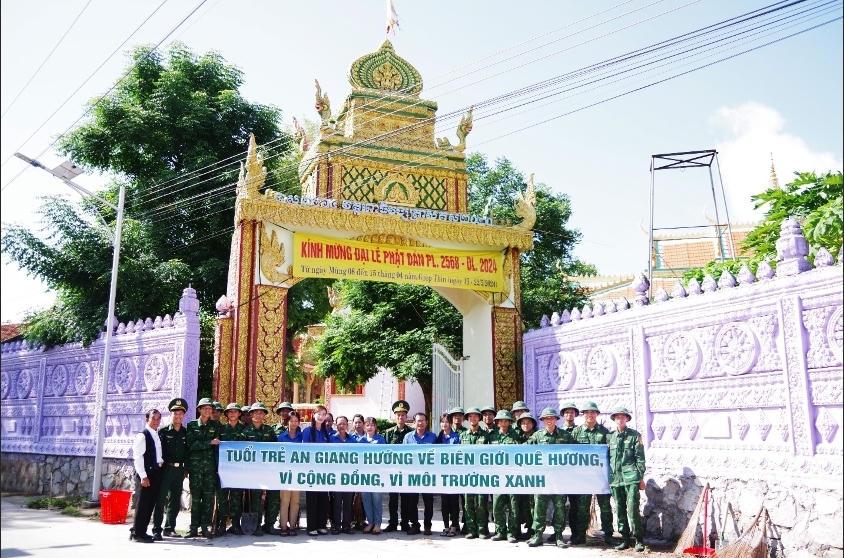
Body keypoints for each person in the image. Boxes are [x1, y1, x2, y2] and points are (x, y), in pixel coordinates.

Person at [525, 407, 574, 548]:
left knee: (559, 508)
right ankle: (538, 535)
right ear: (543, 421)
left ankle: (559, 536)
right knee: (539, 507)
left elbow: (575, 453)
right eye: (546, 418)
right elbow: (523, 451)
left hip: (559, 478)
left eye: (552, 418)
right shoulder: (537, 436)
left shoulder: (565, 436)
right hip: (542, 478)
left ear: (556, 420)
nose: (549, 420)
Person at [572, 401, 614, 547]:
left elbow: (610, 452)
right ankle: (580, 536)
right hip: (584, 477)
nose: (590, 415)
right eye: (587, 413)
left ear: (597, 414)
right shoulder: (577, 432)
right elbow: (570, 453)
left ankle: (609, 535)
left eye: (593, 412)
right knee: (582, 507)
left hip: (600, 476)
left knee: (605, 507)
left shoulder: (604, 432)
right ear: (584, 415)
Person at [607, 407, 646, 552]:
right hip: (616, 479)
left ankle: (639, 540)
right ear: (614, 419)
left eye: (623, 417)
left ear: (627, 419)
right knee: (620, 510)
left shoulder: (635, 436)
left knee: (632, 509)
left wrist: (640, 478)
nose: (620, 419)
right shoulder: (610, 437)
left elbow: (640, 459)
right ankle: (624, 539)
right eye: (617, 417)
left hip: (631, 479)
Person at [240, 401, 280, 535]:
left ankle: (269, 524)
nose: (258, 414)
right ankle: (256, 525)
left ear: (264, 415)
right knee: (256, 498)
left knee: (273, 497)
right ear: (251, 415)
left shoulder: (269, 431)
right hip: (253, 472)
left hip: (269, 470)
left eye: (261, 412)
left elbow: (276, 450)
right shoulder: (245, 432)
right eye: (256, 412)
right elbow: (240, 453)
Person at [152, 398, 187, 540]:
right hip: (166, 470)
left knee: (174, 501)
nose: (178, 416)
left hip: (179, 471)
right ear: (171, 415)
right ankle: (156, 530)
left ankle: (169, 528)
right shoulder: (163, 431)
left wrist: (186, 469)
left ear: (183, 416)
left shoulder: (185, 432)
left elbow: (188, 451)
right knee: (160, 500)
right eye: (175, 414)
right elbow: (158, 452)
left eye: (180, 414)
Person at [186, 398, 220, 538]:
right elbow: (191, 445)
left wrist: (210, 443)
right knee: (195, 499)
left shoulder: (216, 425)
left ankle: (205, 527)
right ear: (199, 410)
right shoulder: (192, 425)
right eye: (204, 408)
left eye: (209, 408)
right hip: (196, 469)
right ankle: (193, 527)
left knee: (208, 499)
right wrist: (209, 442)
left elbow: (218, 444)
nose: (207, 411)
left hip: (210, 469)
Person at [130, 408, 163, 543]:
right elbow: (137, 457)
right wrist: (143, 476)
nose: (155, 421)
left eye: (158, 419)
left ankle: (140, 531)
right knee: (142, 504)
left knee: (149, 504)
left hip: (155, 472)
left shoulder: (156, 434)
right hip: (146, 474)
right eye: (152, 419)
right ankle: (138, 534)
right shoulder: (142, 435)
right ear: (146, 420)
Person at [489, 410, 520, 543]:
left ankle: (512, 532)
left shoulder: (516, 435)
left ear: (509, 422)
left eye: (506, 420)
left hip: (512, 476)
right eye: (501, 420)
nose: (503, 423)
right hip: (498, 476)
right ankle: (500, 530)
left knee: (513, 506)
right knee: (497, 506)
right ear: (497, 422)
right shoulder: (492, 436)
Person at [403, 411, 436, 535]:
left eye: (423, 420)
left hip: (428, 476)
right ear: (414, 423)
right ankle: (415, 525)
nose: (420, 423)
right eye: (418, 421)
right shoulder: (408, 437)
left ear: (426, 422)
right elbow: (403, 456)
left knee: (428, 502)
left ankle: (428, 525)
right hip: (413, 476)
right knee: (412, 502)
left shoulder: (433, 437)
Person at [459, 407, 490, 539]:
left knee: (482, 503)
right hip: (467, 475)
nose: (473, 419)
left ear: (479, 419)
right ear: (467, 419)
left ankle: (483, 530)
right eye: (470, 417)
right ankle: (471, 529)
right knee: (468, 503)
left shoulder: (486, 435)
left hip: (482, 475)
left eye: (475, 416)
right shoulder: (463, 436)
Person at [383, 400, 413, 533]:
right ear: (395, 417)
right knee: (393, 500)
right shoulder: (388, 433)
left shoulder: (412, 433)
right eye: (398, 415)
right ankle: (393, 523)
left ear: (406, 417)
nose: (400, 417)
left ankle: (405, 522)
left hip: (406, 471)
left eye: (403, 415)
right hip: (393, 472)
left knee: (406, 499)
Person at [302, 404, 332, 536]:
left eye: (323, 414)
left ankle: (321, 525)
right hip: (311, 471)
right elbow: (304, 451)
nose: (321, 417)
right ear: (313, 415)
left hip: (324, 471)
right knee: (312, 499)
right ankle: (311, 527)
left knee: (323, 498)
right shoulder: (308, 431)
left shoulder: (326, 432)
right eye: (318, 414)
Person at [218, 402, 244, 536]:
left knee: (236, 498)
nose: (233, 413)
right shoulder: (221, 429)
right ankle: (222, 524)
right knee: (222, 498)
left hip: (238, 470)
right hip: (223, 470)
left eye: (235, 411)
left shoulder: (244, 430)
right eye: (230, 411)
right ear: (227, 414)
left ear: (239, 414)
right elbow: (216, 449)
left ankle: (235, 524)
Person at [278, 410, 303, 537]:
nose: (293, 423)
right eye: (291, 421)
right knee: (284, 501)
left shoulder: (302, 437)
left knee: (295, 501)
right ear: (287, 422)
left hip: (298, 474)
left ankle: (292, 526)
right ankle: (283, 526)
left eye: (296, 421)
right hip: (285, 474)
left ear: (299, 422)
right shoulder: (281, 437)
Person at [558, 401, 580, 543]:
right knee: (559, 505)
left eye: (572, 412)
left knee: (575, 506)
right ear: (563, 415)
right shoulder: (557, 431)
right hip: (559, 474)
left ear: (575, 414)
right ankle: (557, 532)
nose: (569, 414)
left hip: (575, 475)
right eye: (566, 412)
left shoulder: (580, 431)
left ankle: (576, 534)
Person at [359, 416, 385, 534]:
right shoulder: (360, 441)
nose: (370, 427)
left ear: (376, 427)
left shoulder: (381, 440)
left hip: (377, 475)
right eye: (367, 425)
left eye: (372, 425)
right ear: (364, 427)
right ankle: (370, 522)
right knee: (366, 499)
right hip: (364, 475)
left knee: (376, 499)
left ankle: (378, 523)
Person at [435, 412, 460, 537]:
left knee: (454, 502)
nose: (444, 424)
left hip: (454, 475)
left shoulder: (456, 437)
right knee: (444, 502)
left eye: (446, 421)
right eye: (442, 421)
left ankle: (454, 526)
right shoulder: (438, 437)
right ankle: (445, 526)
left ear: (450, 423)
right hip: (442, 475)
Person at [330, 415, 356, 534]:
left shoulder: (353, 440)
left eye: (344, 424)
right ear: (336, 425)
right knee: (336, 502)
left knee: (348, 501)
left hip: (349, 476)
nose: (342, 426)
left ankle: (346, 525)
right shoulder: (331, 439)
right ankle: (336, 525)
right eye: (339, 424)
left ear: (347, 425)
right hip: (335, 475)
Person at [516, 412, 537, 540]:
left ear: (533, 424)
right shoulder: (517, 436)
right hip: (519, 476)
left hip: (533, 476)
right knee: (521, 504)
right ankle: (521, 530)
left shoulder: (537, 436)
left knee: (532, 504)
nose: (525, 425)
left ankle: (532, 530)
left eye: (528, 422)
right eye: (523, 423)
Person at [349, 412, 367, 531]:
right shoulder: (350, 437)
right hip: (352, 471)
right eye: (355, 422)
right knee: (352, 498)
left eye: (360, 422)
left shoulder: (368, 436)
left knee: (363, 498)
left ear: (363, 423)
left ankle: (362, 520)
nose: (358, 424)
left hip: (366, 471)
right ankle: (352, 520)